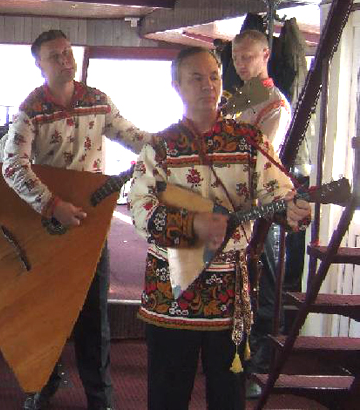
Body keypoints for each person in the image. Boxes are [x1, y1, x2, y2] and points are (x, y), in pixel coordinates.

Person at [128, 46, 311, 410]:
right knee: (167, 393)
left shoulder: (249, 141)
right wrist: (192, 224)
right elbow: (139, 209)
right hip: (171, 292)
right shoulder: (161, 147)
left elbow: (277, 192)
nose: (208, 85)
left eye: (214, 76)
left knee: (228, 394)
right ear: (177, 85)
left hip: (228, 292)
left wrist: (292, 209)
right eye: (196, 78)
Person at [0, 29, 153, 410]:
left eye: (68, 52)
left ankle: (101, 398)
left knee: (94, 315)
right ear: (40, 65)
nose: (65, 60)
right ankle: (42, 382)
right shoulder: (31, 108)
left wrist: (174, 145)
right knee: (45, 311)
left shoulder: (98, 101)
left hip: (90, 224)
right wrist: (52, 205)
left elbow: (134, 136)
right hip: (47, 224)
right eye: (55, 55)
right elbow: (12, 165)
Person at [231, 29, 293, 397]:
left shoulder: (274, 104)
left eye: (248, 57)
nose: (241, 64)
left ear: (265, 55)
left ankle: (260, 367)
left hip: (262, 202)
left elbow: (260, 157)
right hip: (234, 199)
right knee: (239, 281)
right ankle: (237, 356)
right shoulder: (240, 97)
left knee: (263, 284)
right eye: (236, 57)